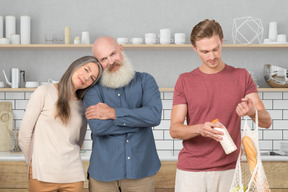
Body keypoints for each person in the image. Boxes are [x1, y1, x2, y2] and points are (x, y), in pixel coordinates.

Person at [169, 19, 272, 192]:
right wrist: (200, 129)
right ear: (194, 49)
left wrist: (252, 111)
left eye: (215, 49)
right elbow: (175, 130)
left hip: (230, 171)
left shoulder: (241, 76)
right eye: (205, 51)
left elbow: (266, 121)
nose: (211, 56)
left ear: (222, 41)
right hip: (191, 172)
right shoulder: (185, 81)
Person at [83, 36, 162, 192]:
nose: (111, 61)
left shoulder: (146, 80)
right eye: (104, 59)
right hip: (103, 175)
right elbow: (99, 127)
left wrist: (113, 113)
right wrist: (139, 122)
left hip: (142, 172)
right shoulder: (92, 89)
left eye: (113, 54)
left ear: (121, 49)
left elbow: (153, 116)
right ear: (98, 63)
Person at [19, 56, 103, 192]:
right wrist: (34, 164)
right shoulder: (44, 92)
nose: (87, 77)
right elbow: (24, 135)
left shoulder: (83, 105)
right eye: (86, 69)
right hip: (42, 176)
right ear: (75, 66)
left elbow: (78, 142)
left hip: (73, 177)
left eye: (92, 78)